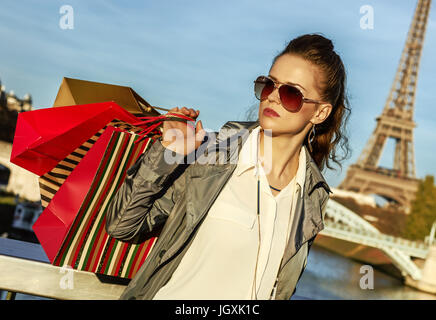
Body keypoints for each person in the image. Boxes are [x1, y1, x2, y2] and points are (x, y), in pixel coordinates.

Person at [105, 33, 350, 300]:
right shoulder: (211, 156)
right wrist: (167, 154)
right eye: (269, 85)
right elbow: (122, 226)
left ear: (320, 113)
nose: (273, 98)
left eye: (291, 93)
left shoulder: (311, 195)